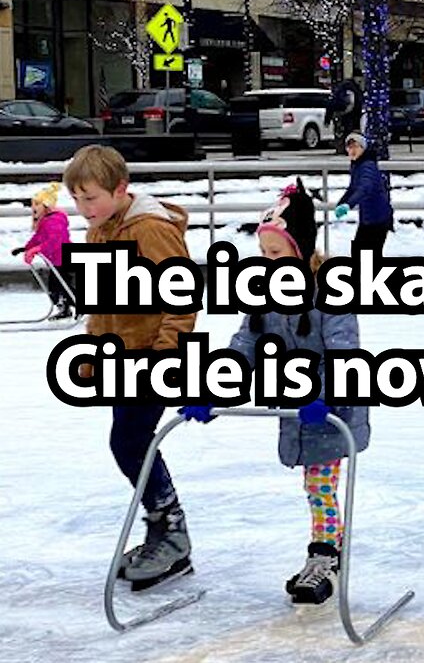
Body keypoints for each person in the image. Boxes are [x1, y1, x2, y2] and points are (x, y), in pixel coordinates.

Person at [180, 180, 370, 605]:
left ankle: (325, 557)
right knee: (313, 486)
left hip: (330, 409)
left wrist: (324, 393)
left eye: (277, 254)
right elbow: (245, 344)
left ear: (301, 251)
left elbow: (345, 353)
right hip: (296, 407)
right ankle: (324, 551)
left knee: (320, 486)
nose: (268, 263)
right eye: (264, 254)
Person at [65, 145, 198, 592]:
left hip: (155, 356)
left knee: (129, 438)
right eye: (77, 200)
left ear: (120, 189)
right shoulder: (99, 232)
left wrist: (165, 355)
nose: (83, 210)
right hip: (123, 358)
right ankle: (166, 528)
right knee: (129, 440)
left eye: (91, 199)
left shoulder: (150, 231)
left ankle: (172, 531)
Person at [10, 182, 76, 320]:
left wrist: (37, 249)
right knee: (54, 288)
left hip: (64, 258)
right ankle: (64, 309)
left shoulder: (55, 221)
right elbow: (38, 238)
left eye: (37, 204)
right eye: (33, 204)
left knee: (62, 286)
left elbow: (54, 241)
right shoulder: (44, 221)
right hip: (56, 261)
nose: (33, 208)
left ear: (46, 206)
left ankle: (78, 303)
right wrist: (27, 248)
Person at [336, 132, 394, 256]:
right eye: (349, 147)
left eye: (356, 146)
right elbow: (352, 188)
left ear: (363, 148)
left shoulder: (367, 166)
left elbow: (364, 188)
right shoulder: (358, 165)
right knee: (361, 254)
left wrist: (348, 205)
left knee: (365, 256)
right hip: (369, 218)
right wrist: (342, 203)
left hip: (377, 219)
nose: (352, 150)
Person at [325, 79, 364, 156]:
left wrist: (327, 119)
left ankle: (340, 148)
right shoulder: (355, 90)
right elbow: (357, 104)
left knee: (339, 132)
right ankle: (349, 148)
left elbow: (330, 104)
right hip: (351, 115)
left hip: (339, 114)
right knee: (349, 132)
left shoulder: (339, 90)